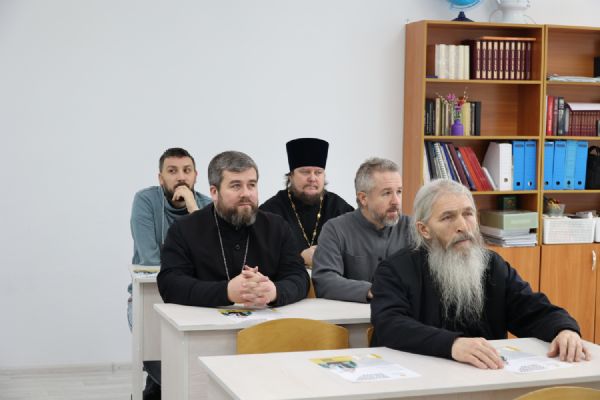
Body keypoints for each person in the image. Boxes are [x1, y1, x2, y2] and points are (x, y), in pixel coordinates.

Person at [371, 179, 589, 369]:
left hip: (485, 378)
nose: (463, 226)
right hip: (421, 380)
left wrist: (564, 329)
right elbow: (390, 325)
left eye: (468, 214)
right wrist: (452, 344)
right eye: (447, 217)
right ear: (424, 229)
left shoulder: (492, 265)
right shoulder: (395, 270)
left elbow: (531, 308)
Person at [157, 150, 310, 308]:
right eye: (236, 186)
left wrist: (273, 292)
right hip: (204, 322)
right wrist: (226, 292)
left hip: (268, 321)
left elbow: (299, 277)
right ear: (214, 192)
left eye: (251, 185)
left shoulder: (277, 227)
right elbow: (170, 284)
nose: (246, 193)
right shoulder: (184, 229)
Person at [129, 147, 211, 400]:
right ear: (161, 177)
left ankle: (156, 391)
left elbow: (212, 260)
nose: (181, 177)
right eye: (172, 171)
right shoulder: (146, 201)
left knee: (193, 359)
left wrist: (192, 208)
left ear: (196, 176)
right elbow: (149, 260)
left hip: (193, 297)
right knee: (164, 364)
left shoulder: (206, 206)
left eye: (187, 170)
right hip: (150, 297)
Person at [311, 158, 411, 303]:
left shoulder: (413, 228)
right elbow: (325, 281)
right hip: (352, 316)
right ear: (363, 198)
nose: (396, 201)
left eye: (399, 192)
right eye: (387, 193)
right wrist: (371, 290)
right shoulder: (335, 229)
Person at [260, 138, 353, 267]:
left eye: (318, 172)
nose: (312, 178)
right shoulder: (270, 212)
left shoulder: (340, 208)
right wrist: (300, 258)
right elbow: (262, 258)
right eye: (305, 172)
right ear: (291, 176)